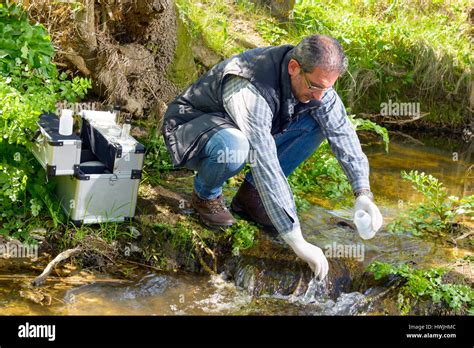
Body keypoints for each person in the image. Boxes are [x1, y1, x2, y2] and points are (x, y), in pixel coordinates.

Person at [162, 34, 383, 280]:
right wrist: (296, 238)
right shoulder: (251, 84)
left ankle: (250, 197)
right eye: (315, 87)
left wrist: (363, 193)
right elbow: (263, 158)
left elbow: (342, 133)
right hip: (192, 128)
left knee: (320, 120)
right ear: (293, 68)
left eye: (327, 88)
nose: (320, 96)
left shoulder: (316, 82)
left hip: (236, 129)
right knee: (236, 146)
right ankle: (205, 195)